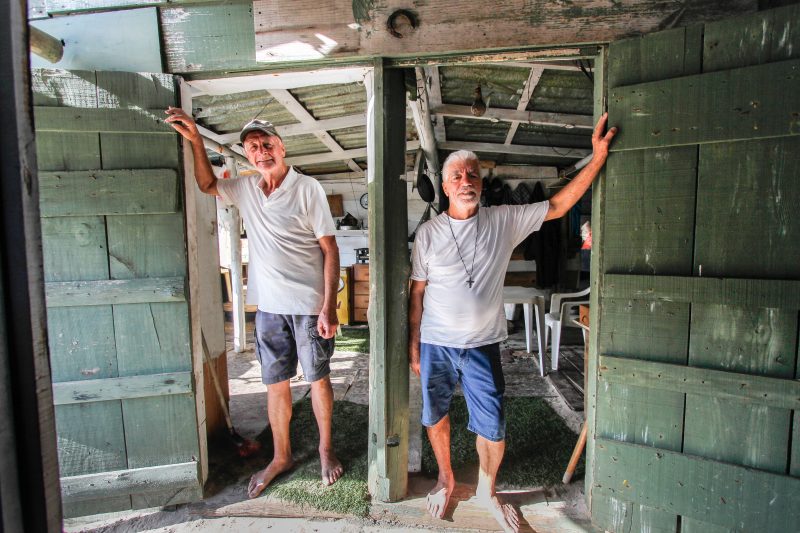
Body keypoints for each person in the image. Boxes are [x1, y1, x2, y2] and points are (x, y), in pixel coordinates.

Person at [408, 114, 616, 532]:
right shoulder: (428, 234)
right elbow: (417, 292)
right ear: (446, 186)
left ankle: (488, 488)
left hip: (483, 343)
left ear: (480, 184)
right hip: (435, 343)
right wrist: (412, 343)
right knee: (435, 416)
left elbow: (557, 206)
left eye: (472, 174)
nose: (465, 179)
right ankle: (447, 479)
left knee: (493, 423)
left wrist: (597, 158)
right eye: (457, 175)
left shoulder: (503, 220)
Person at [165, 108, 344, 497]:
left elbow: (330, 250)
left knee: (317, 379)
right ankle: (281, 457)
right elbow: (207, 184)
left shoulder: (307, 188)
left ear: (281, 147)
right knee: (275, 384)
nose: (261, 152)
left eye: (267, 144)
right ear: (247, 155)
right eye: (253, 147)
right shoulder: (245, 188)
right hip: (267, 308)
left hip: (308, 305)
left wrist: (329, 306)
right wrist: (196, 140)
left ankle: (325, 449)